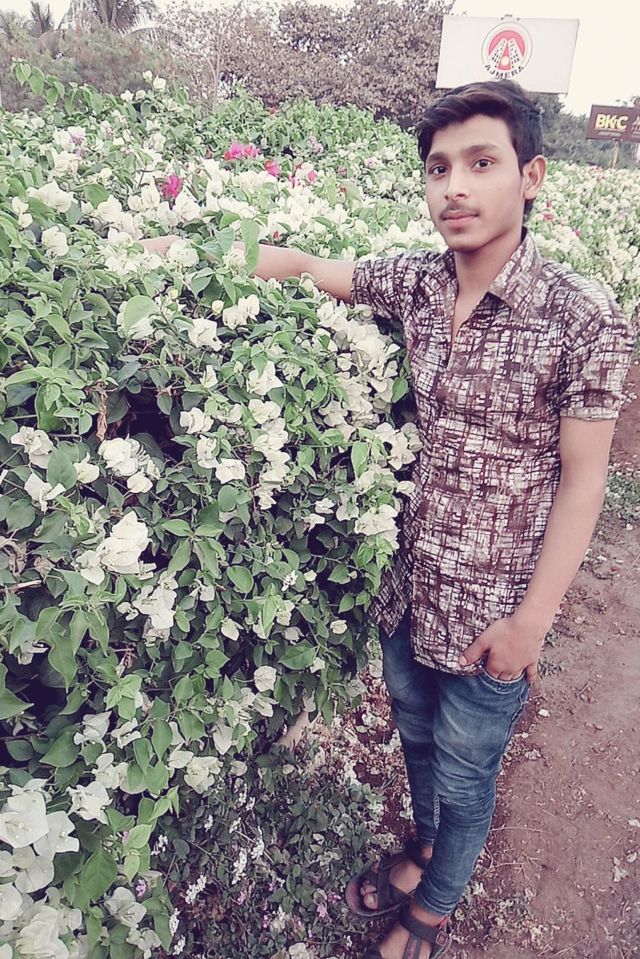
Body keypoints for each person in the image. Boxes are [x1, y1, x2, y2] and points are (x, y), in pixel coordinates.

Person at [142, 80, 636, 959]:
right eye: (439, 168)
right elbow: (308, 266)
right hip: (407, 584)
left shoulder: (582, 315)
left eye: (481, 163)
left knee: (467, 772)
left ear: (531, 177)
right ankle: (425, 847)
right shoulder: (418, 281)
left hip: (494, 610)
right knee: (416, 735)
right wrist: (182, 247)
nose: (456, 187)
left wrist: (531, 623)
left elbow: (584, 480)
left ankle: (434, 908)